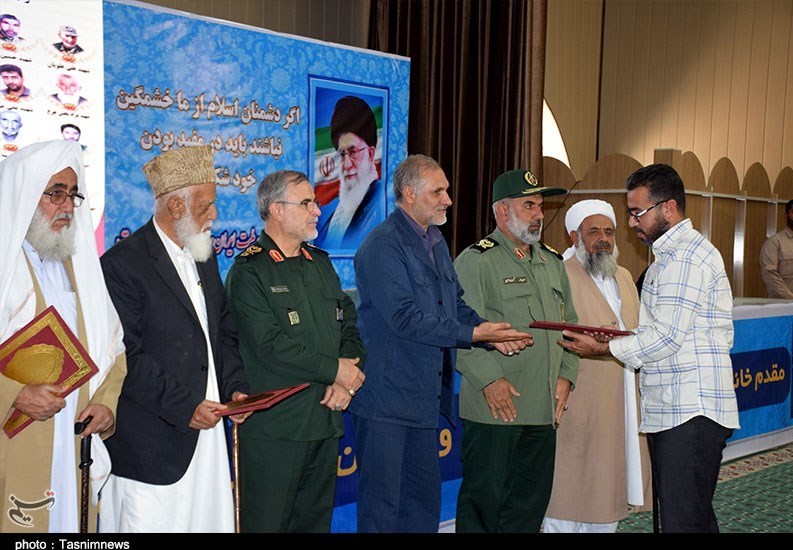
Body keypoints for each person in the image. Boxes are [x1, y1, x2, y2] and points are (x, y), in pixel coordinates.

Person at [349, 154, 532, 533]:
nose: (448, 200)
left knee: (422, 508)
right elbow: (405, 319)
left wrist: (489, 333)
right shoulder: (382, 245)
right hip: (385, 404)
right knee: (383, 512)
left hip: (423, 401)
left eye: (446, 191)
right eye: (438, 192)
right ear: (409, 194)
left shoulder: (434, 240)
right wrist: (475, 335)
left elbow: (454, 305)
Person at [559, 163, 740, 533]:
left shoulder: (685, 259)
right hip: (675, 409)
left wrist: (604, 349)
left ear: (668, 208)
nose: (631, 223)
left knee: (683, 522)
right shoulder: (667, 259)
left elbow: (666, 337)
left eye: (637, 212)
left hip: (688, 411)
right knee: (688, 518)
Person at [99, 145, 251, 533]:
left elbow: (223, 330)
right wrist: (186, 406)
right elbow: (128, 357)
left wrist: (235, 389)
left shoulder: (204, 254)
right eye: (206, 205)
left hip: (207, 436)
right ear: (176, 207)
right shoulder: (121, 265)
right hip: (154, 444)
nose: (214, 215)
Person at [225, 169, 366, 532]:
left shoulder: (320, 263)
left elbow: (349, 324)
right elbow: (271, 346)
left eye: (315, 203)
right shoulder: (249, 271)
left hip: (325, 420)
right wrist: (336, 371)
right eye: (306, 203)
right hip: (278, 430)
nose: (317, 211)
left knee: (314, 525)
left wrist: (346, 380)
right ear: (276, 210)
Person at [0, 140, 126, 532]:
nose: (67, 206)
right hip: (16, 442)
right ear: (24, 194)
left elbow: (114, 349)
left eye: (72, 194)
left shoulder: (79, 268)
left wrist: (105, 404)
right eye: (55, 193)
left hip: (74, 444)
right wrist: (15, 395)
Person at [453, 169, 578, 533]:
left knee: (528, 509)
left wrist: (567, 376)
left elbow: (571, 326)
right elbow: (458, 330)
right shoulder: (477, 260)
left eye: (540, 205)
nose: (539, 214)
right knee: (483, 508)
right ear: (502, 211)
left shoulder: (552, 262)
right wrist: (489, 380)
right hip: (495, 410)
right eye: (529, 206)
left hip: (542, 408)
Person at [543, 199, 651, 533]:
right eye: (593, 232)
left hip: (622, 399)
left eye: (609, 231)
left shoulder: (624, 276)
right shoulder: (557, 274)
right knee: (568, 490)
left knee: (608, 489)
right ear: (575, 236)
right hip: (579, 397)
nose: (603, 239)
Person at [314, 96, 384, 249]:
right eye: (342, 154)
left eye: (353, 152)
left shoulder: (381, 201)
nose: (347, 164)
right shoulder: (339, 212)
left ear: (371, 154)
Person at [759, 199, 793, 299]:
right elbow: (769, 275)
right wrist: (791, 300)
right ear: (786, 215)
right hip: (784, 305)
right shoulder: (774, 242)